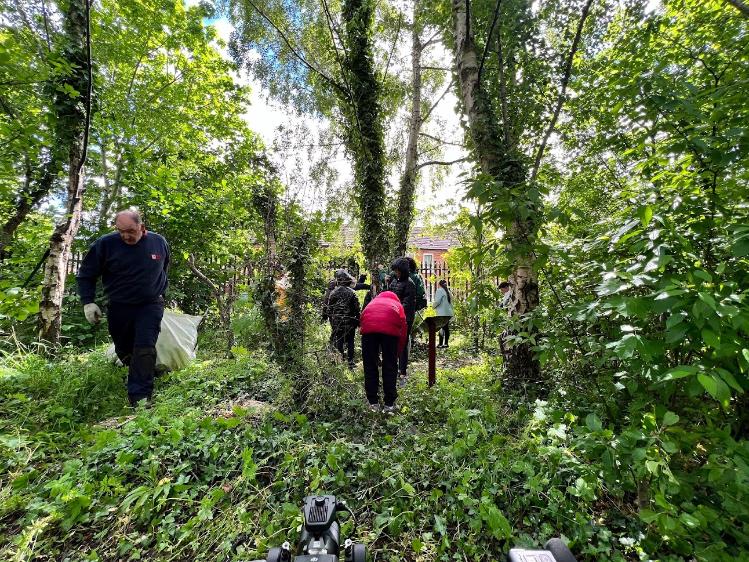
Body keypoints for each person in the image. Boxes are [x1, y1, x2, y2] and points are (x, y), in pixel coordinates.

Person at [76, 210, 170, 406]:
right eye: (121, 231)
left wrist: (161, 292)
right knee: (125, 348)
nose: (126, 236)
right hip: (119, 306)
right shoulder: (105, 244)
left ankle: (140, 399)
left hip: (150, 304)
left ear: (142, 228)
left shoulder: (158, 242)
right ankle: (142, 370)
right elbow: (86, 274)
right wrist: (88, 302)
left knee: (144, 346)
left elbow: (163, 268)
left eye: (130, 231)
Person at [360, 291, 408, 414]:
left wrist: (374, 356)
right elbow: (403, 332)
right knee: (390, 366)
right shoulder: (397, 305)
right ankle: (389, 404)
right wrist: (397, 353)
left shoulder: (373, 302)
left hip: (368, 331)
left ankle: (373, 403)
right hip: (390, 332)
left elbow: (362, 319)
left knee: (369, 366)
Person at [388, 257, 416, 382]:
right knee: (393, 342)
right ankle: (394, 368)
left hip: (405, 318)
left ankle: (402, 371)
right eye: (395, 270)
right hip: (393, 316)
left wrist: (396, 311)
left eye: (398, 270)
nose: (396, 272)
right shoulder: (394, 281)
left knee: (403, 343)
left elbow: (407, 304)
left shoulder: (410, 284)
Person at [328, 269, 361, 369]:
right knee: (350, 341)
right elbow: (357, 309)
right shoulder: (352, 292)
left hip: (337, 322)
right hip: (350, 322)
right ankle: (350, 363)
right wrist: (358, 321)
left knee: (339, 341)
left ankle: (340, 361)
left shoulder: (333, 292)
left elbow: (330, 309)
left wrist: (332, 322)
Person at [433, 279, 454, 348]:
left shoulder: (439, 290)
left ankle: (440, 344)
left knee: (441, 328)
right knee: (446, 328)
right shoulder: (448, 291)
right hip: (448, 313)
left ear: (439, 285)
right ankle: (446, 343)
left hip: (442, 313)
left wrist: (433, 307)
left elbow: (437, 301)